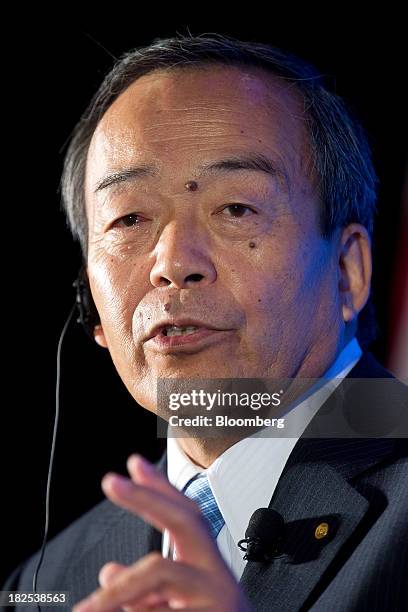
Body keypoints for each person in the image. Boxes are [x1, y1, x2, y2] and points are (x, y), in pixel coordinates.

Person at [3, 33, 407, 611]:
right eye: (128, 218)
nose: (172, 264)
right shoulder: (46, 583)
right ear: (90, 308)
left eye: (236, 208)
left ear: (348, 271)